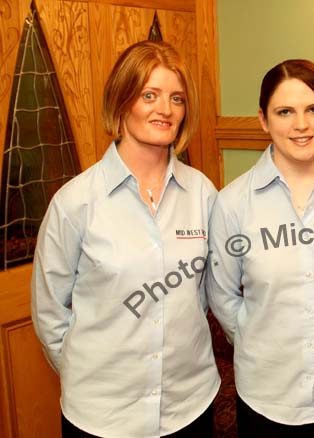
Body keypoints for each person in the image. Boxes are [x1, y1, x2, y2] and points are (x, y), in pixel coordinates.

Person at [31, 40, 220, 437]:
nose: (165, 109)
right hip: (103, 417)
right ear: (122, 101)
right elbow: (50, 313)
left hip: (189, 405)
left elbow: (207, 292)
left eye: (177, 98)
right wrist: (91, 375)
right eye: (149, 95)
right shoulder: (75, 202)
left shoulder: (203, 193)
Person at [207, 59, 314, 437]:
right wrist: (263, 338)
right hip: (267, 396)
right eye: (284, 111)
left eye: (313, 109)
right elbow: (222, 295)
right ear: (263, 120)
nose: (300, 125)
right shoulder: (233, 202)